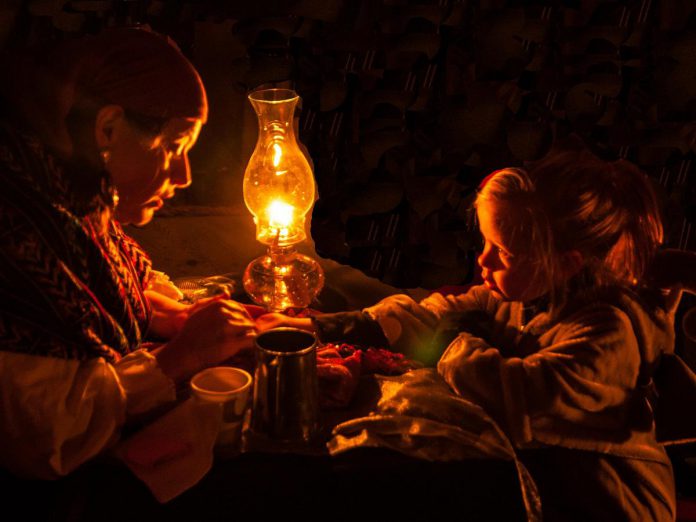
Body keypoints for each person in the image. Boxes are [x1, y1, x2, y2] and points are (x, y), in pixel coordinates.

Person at [259, 148, 678, 520]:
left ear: (566, 263)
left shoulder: (609, 335)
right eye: (486, 242)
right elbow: (434, 314)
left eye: (505, 254)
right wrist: (316, 326)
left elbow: (521, 399)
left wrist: (450, 345)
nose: (483, 260)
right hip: (535, 479)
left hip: (604, 501)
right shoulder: (519, 294)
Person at [0, 27, 256, 479]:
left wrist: (168, 313)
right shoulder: (16, 225)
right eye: (174, 146)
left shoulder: (65, 193)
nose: (184, 176)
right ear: (109, 128)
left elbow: (108, 278)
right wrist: (181, 357)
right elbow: (46, 436)